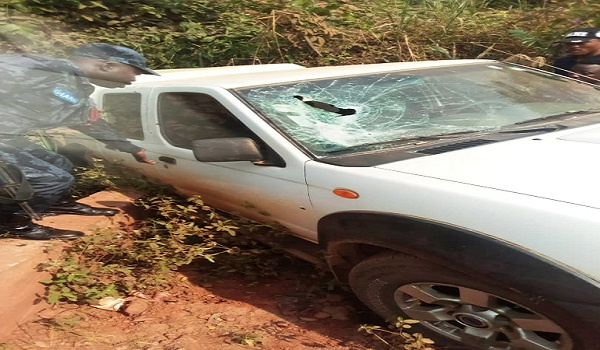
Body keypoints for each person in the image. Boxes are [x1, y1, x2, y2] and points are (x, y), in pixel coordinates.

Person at [0, 43, 158, 240]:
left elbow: (88, 122)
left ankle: (58, 203)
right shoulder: (37, 67)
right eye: (134, 72)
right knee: (51, 179)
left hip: (8, 138)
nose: (134, 79)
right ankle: (12, 225)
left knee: (61, 164)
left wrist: (131, 148)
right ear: (107, 66)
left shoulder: (76, 86)